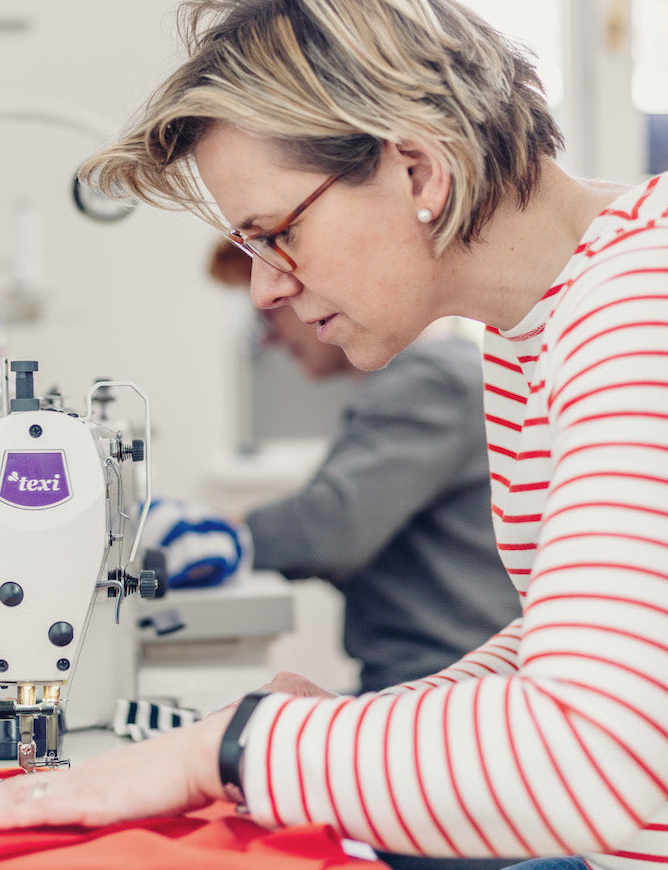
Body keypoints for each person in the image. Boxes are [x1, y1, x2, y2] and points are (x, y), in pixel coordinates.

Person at [0, 0, 668, 870]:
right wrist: (364, 729)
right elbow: (579, 650)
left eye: (275, 235)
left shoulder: (638, 315)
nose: (266, 291)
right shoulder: (540, 323)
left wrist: (226, 750)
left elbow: (596, 755)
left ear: (417, 169)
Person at [209, 239, 520, 696]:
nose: (269, 337)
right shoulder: (434, 375)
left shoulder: (427, 380)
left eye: (271, 314)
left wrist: (217, 537)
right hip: (442, 680)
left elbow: (330, 528)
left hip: (443, 687)